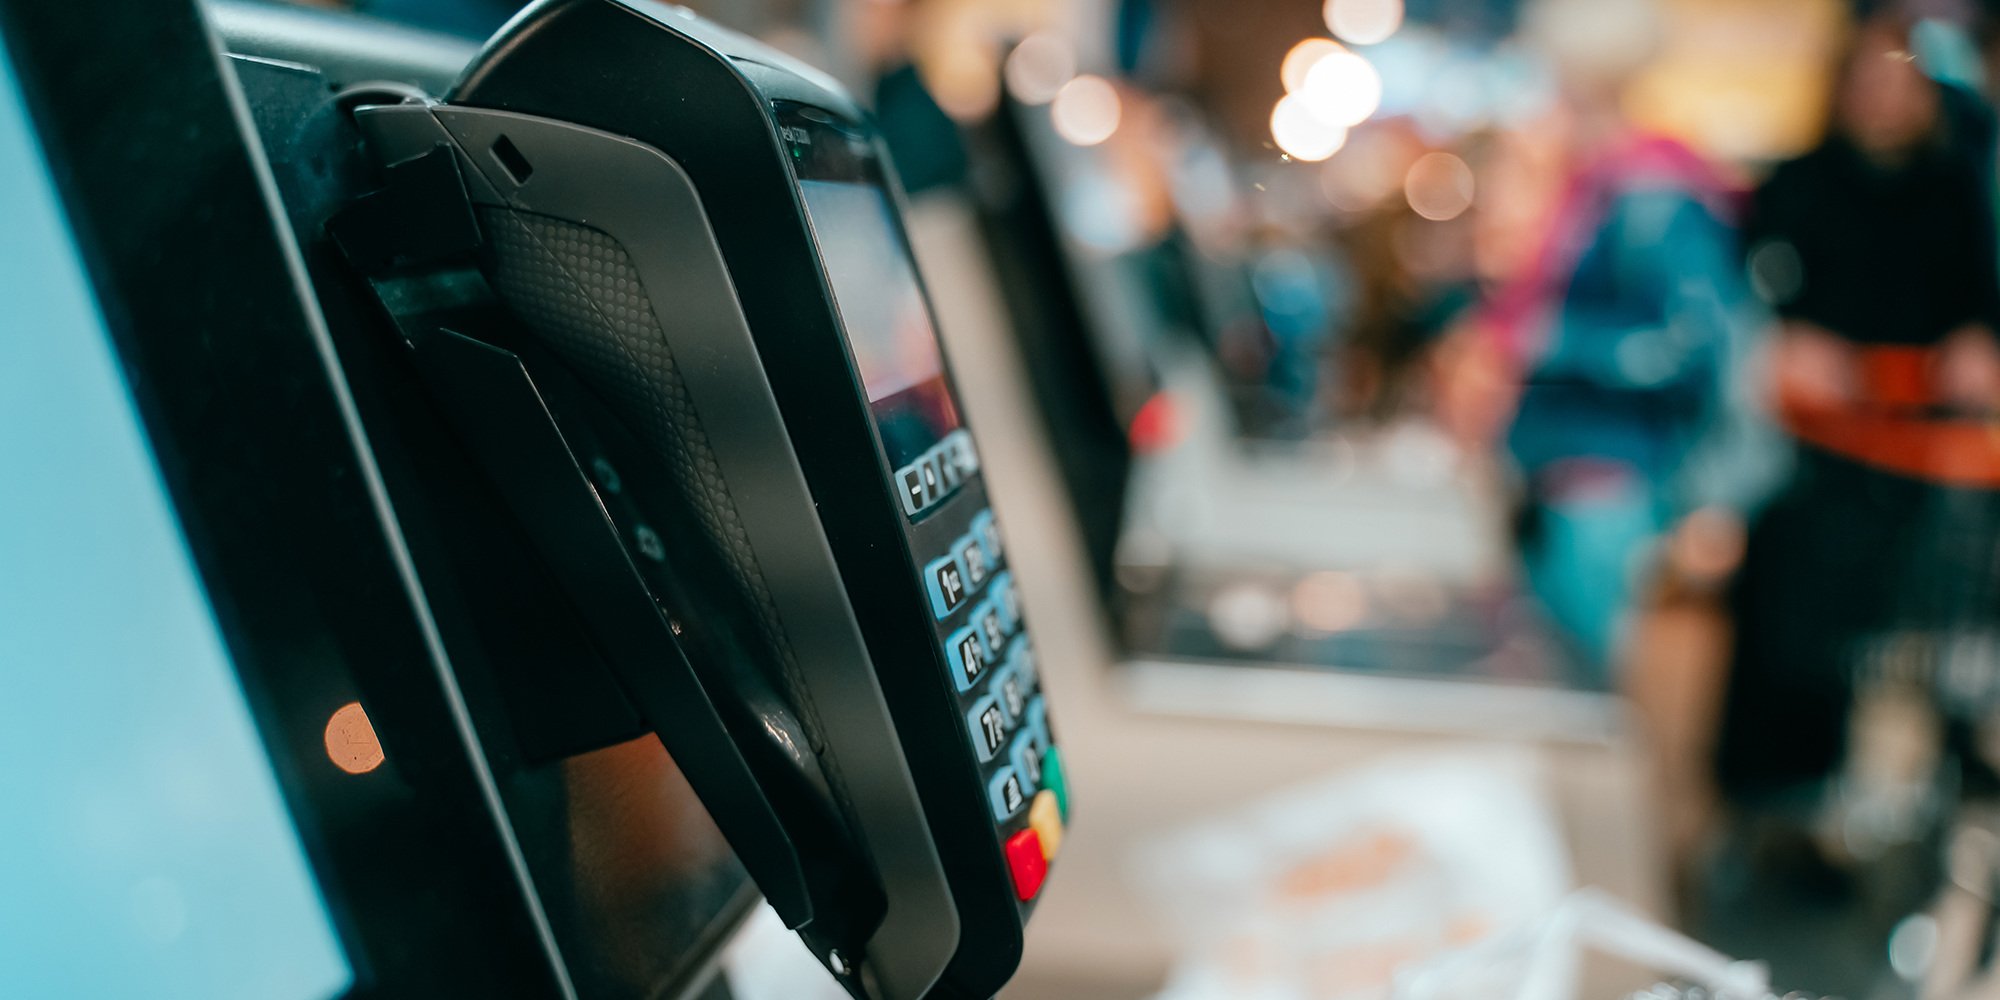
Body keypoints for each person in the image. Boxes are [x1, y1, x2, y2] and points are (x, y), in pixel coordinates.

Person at [1715, 15, 2000, 810]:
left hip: (1926, 482)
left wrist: (1977, 341)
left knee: (1915, 658)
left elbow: (1978, 300)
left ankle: (1885, 811)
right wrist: (1786, 341)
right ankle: (1778, 811)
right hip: (1808, 472)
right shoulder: (1795, 185)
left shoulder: (1958, 189)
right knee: (1791, 645)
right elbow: (1747, 302)